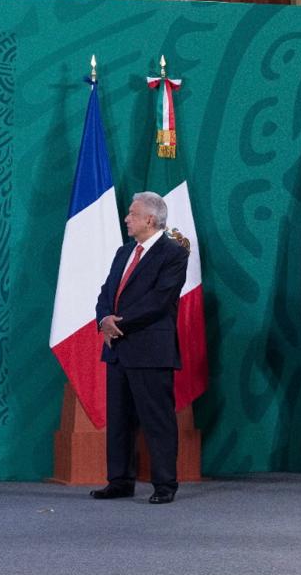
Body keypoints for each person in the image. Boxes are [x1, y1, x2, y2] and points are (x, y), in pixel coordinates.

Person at [90, 192, 188, 504]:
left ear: (150, 219)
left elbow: (160, 300)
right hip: (118, 349)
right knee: (119, 420)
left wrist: (117, 324)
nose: (126, 219)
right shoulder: (124, 252)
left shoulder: (173, 253)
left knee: (157, 420)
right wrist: (104, 318)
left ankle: (164, 485)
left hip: (150, 349)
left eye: (132, 214)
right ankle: (119, 481)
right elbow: (106, 292)